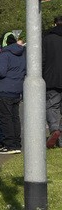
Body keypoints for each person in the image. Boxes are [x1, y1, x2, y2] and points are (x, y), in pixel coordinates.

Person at [0, 31, 25, 154]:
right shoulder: (21, 54)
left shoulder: (4, 55)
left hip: (3, 91)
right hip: (16, 91)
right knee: (15, 118)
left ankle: (10, 145)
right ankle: (16, 143)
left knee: (5, 119)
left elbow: (0, 72)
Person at [43, 16, 62, 149]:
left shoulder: (47, 39)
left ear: (54, 24)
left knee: (52, 106)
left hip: (52, 79)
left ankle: (55, 129)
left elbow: (41, 60)